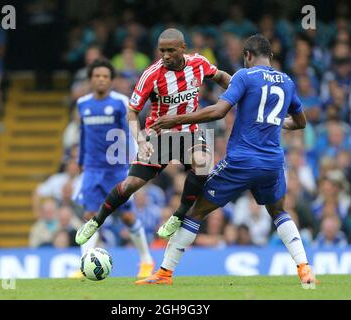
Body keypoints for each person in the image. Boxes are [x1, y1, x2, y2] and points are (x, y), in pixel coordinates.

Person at [136, 34, 317, 288]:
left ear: (247, 56)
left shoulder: (244, 76)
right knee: (279, 213)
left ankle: (164, 273)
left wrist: (176, 120)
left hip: (241, 162)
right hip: (272, 163)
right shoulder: (287, 81)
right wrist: (275, 122)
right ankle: (304, 268)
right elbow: (300, 122)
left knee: (195, 211)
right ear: (271, 56)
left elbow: (219, 111)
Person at [75, 28, 230, 248]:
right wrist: (140, 140)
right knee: (131, 185)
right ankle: (96, 220)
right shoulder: (152, 74)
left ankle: (178, 215)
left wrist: (239, 89)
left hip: (189, 132)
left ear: (182, 49)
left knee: (204, 162)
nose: (165, 55)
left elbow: (222, 77)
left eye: (170, 50)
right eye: (162, 51)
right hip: (160, 137)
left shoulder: (198, 63)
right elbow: (132, 111)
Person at [73, 58, 154, 278]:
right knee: (89, 216)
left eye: (105, 76)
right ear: (91, 79)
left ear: (111, 80)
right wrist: (80, 160)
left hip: (116, 169)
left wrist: (134, 156)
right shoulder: (83, 104)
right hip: (91, 169)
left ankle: (146, 259)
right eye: (97, 76)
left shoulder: (120, 102)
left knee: (127, 216)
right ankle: (85, 265)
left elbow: (129, 131)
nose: (101, 79)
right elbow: (83, 134)